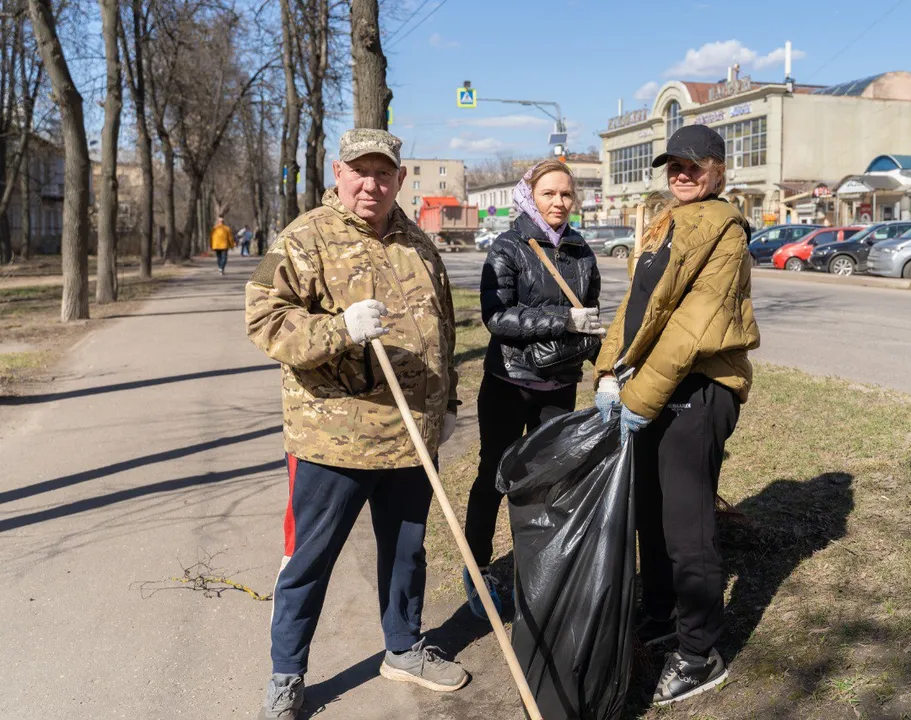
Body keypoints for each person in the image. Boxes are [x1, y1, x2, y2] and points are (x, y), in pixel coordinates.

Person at [245, 129, 467, 720]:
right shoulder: (305, 237)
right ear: (338, 173)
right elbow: (265, 322)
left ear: (399, 179)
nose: (372, 184)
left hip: (410, 436)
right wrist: (339, 329)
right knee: (310, 561)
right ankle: (286, 674)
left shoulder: (418, 243)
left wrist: (446, 405)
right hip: (333, 440)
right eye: (360, 172)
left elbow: (442, 329)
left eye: (384, 173)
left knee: (407, 552)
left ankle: (404, 648)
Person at [593, 124, 760, 706]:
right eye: (674, 166)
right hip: (651, 387)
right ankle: (661, 613)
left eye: (693, 166)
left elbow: (693, 326)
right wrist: (608, 371)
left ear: (718, 170)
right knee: (651, 515)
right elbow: (636, 308)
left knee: (688, 529)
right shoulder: (667, 223)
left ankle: (699, 652)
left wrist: (637, 399)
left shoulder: (725, 228)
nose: (682, 175)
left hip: (699, 389)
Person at [462, 159, 605, 620]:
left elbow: (590, 317)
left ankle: (540, 569)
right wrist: (562, 319)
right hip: (509, 383)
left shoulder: (581, 251)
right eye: (549, 193)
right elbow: (497, 317)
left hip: (559, 385)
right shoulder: (508, 247)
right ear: (530, 196)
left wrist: (606, 369)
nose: (559, 202)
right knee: (494, 476)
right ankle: (477, 568)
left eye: (566, 194)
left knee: (551, 481)